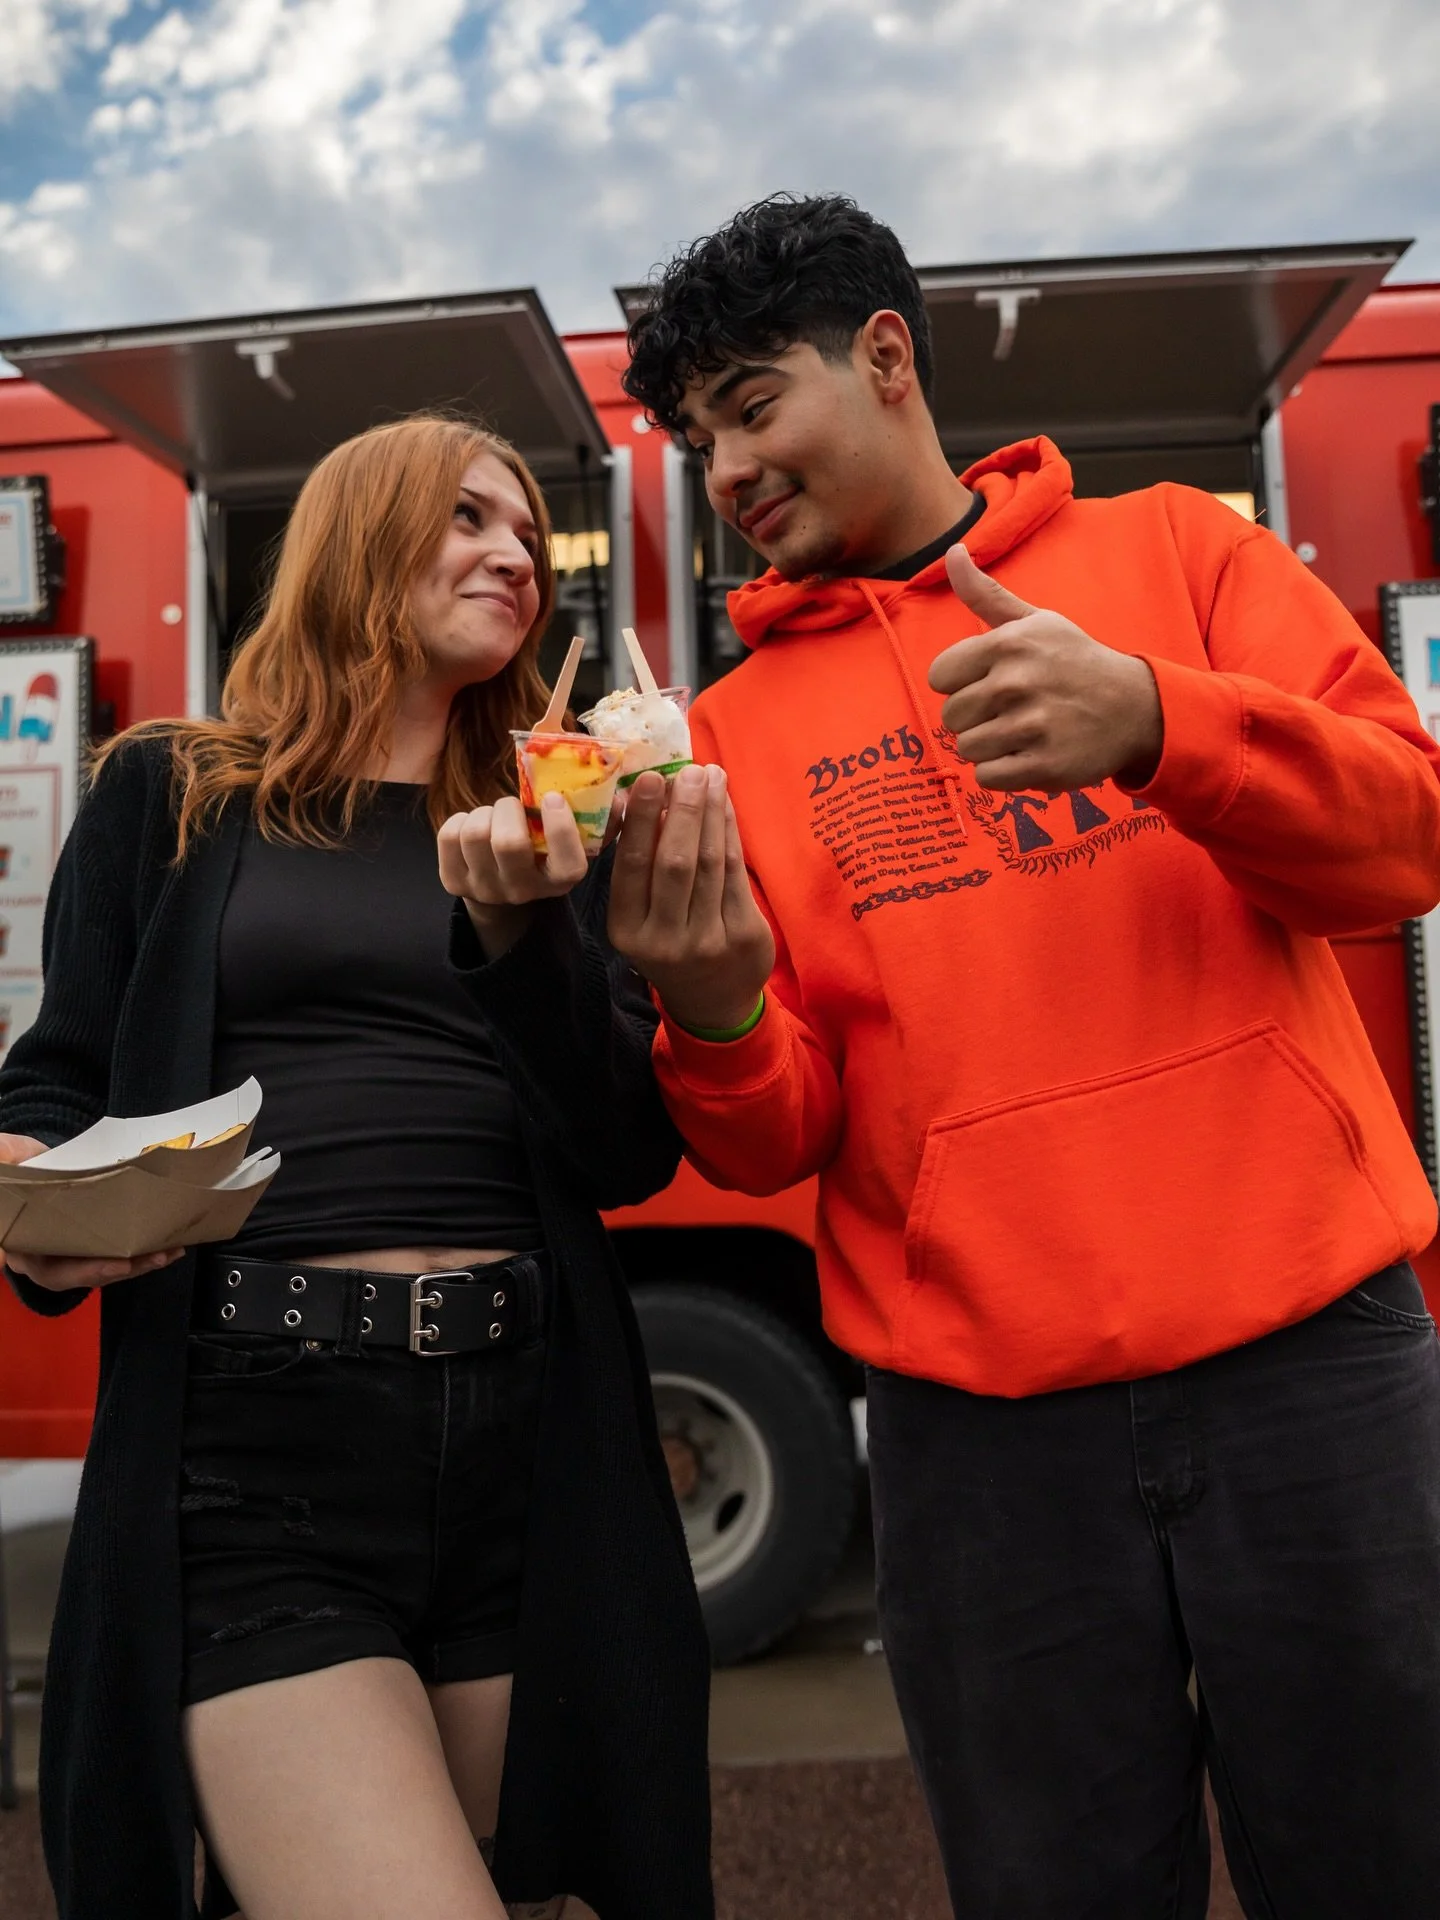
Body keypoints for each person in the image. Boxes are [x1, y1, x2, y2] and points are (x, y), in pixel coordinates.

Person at [608, 193, 1440, 1919]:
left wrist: (1162, 722)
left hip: (1313, 1371)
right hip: (980, 1444)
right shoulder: (725, 738)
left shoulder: (1180, 560)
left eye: (756, 406)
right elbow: (783, 1139)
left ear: (889, 359)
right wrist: (710, 1015)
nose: (729, 471)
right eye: (702, 441)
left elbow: (1407, 840)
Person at [0, 414, 712, 1920]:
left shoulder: (561, 815)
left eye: (528, 533)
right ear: (356, 540)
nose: (513, 553)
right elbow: (58, 1080)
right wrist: (34, 1189)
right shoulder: (176, 793)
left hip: (533, 1444)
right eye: (465, 518)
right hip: (263, 1454)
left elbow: (628, 1153)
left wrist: (533, 934)